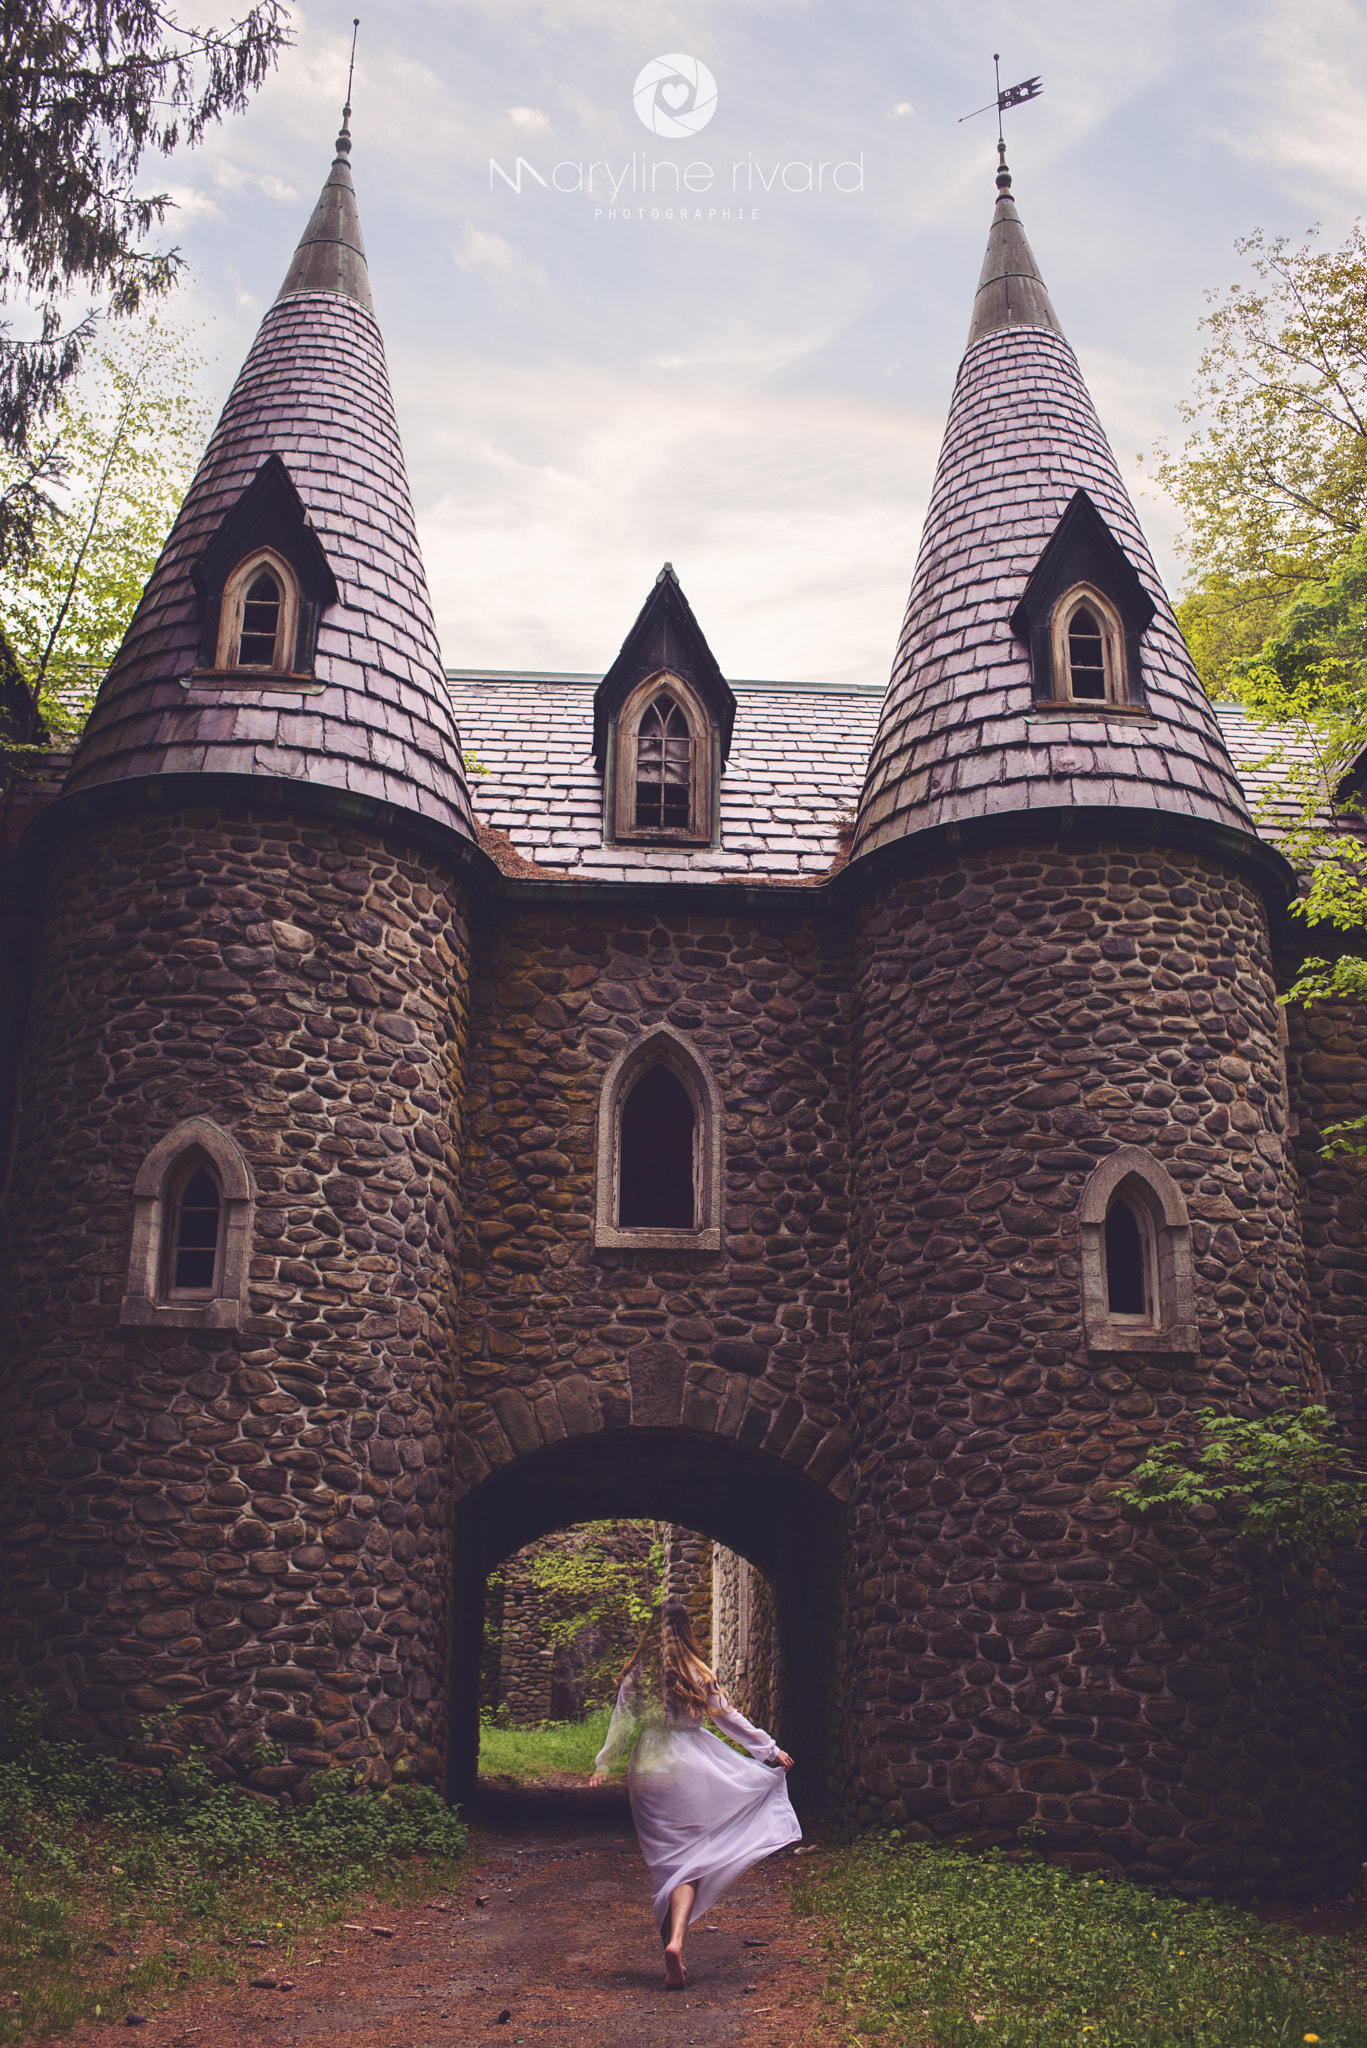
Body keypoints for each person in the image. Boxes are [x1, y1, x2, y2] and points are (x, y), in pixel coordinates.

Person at [588, 1597, 800, 1989]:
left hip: (649, 1766)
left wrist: (604, 1764)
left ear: (652, 1631)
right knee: (691, 1858)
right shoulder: (697, 1672)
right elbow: (728, 1719)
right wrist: (769, 1749)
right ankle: (677, 1941)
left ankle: (672, 1951)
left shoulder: (639, 1673)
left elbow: (621, 1722)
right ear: (687, 1629)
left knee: (664, 1863)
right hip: (691, 1764)